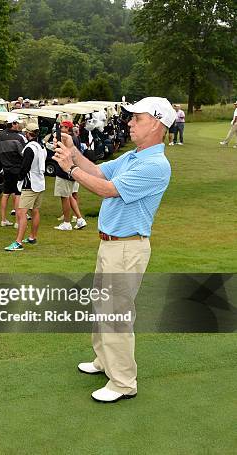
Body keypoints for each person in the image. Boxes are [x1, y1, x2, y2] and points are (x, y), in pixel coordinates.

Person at [53, 96, 175, 403]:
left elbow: (107, 189)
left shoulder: (156, 165)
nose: (130, 123)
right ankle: (103, 361)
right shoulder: (134, 157)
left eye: (138, 119)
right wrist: (73, 153)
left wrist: (70, 170)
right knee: (101, 307)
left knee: (116, 315)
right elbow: (98, 172)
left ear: (157, 124)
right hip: (111, 245)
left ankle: (123, 382)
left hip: (127, 248)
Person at [4, 122, 47, 251]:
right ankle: (32, 237)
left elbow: (25, 167)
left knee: (21, 212)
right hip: (40, 182)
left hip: (30, 184)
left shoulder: (30, 148)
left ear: (28, 133)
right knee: (35, 210)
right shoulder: (41, 146)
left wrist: (19, 179)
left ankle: (18, 242)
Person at [53, 120, 86, 231]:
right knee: (70, 195)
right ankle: (79, 219)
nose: (60, 128)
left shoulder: (67, 138)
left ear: (67, 128)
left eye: (62, 127)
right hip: (71, 170)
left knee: (65, 197)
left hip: (65, 171)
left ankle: (67, 222)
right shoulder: (75, 137)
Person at [0, 114, 25, 227]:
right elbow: (23, 154)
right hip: (17, 169)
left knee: (6, 193)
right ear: (13, 124)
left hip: (5, 169)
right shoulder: (19, 138)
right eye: (17, 123)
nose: (18, 125)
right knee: (17, 194)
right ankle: (17, 222)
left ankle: (3, 220)